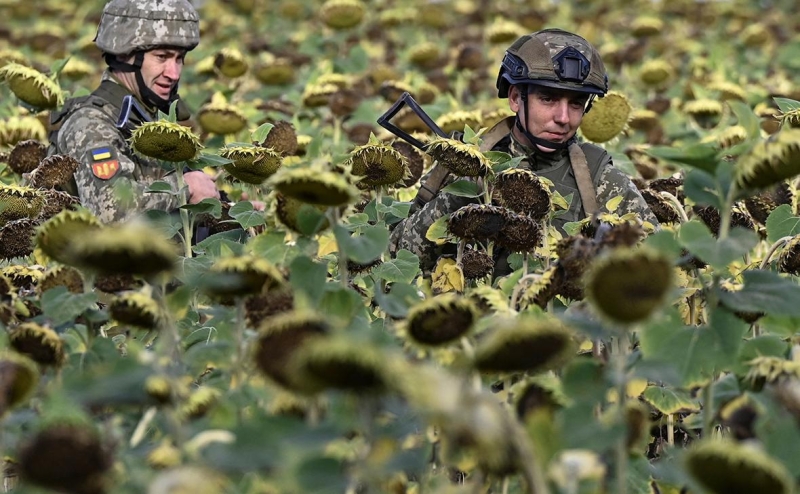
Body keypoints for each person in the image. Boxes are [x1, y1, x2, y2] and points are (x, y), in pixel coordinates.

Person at [389, 28, 658, 276]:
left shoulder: (601, 180)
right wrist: (462, 197)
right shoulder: (466, 166)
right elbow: (397, 259)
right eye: (548, 99)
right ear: (516, 98)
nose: (563, 117)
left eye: (576, 104)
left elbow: (659, 266)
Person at [47, 0, 219, 224]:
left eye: (180, 59)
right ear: (123, 56)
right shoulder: (91, 123)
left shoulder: (144, 116)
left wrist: (231, 210)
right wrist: (185, 188)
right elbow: (111, 212)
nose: (174, 73)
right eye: (162, 57)